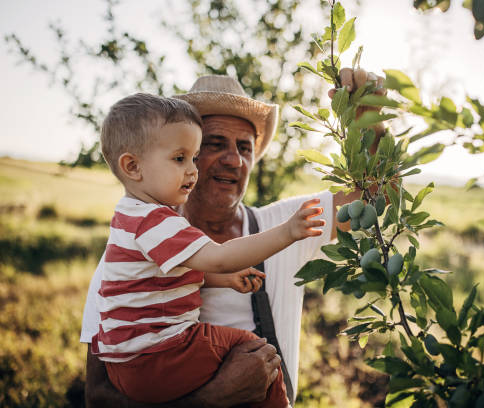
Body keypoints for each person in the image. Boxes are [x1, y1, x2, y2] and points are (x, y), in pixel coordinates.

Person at [82, 69, 385, 407]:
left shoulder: (280, 221)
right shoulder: (130, 255)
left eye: (244, 147)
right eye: (213, 144)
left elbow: (374, 198)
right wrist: (215, 398)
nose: (233, 159)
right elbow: (98, 397)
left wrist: (369, 123)